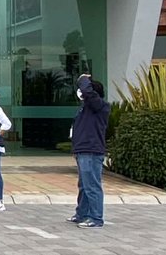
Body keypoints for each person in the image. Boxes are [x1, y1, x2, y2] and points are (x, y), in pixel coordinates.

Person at [67, 74, 111, 229]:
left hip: (91, 151)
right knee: (84, 185)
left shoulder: (99, 106)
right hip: (82, 150)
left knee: (92, 185)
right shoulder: (85, 109)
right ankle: (82, 214)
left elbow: (88, 92)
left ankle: (96, 218)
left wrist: (83, 79)